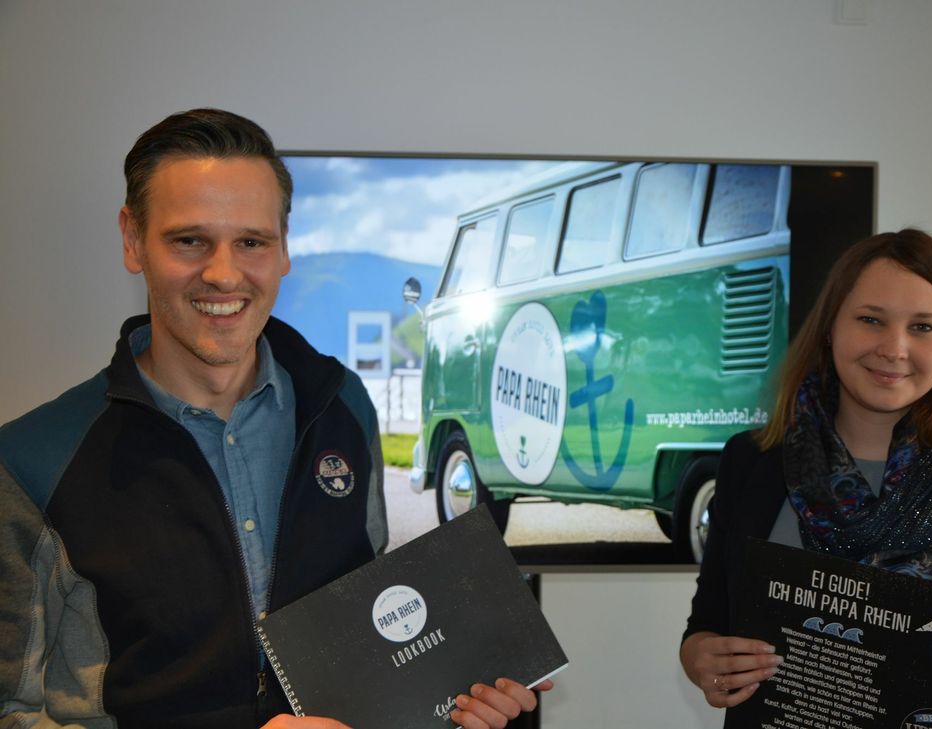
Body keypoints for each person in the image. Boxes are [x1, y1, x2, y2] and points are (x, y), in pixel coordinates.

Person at [0, 108, 549, 728]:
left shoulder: (341, 408)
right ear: (133, 240)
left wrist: (457, 700)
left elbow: (369, 656)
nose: (224, 273)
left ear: (284, 248)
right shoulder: (32, 461)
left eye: (251, 242)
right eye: (190, 240)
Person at [679, 229, 932, 727]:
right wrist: (702, 657)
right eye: (871, 319)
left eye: (922, 327)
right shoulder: (752, 460)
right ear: (831, 326)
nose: (894, 348)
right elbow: (708, 625)